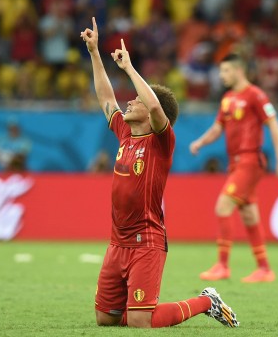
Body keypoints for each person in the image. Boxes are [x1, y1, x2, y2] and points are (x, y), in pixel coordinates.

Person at [81, 17, 239, 329]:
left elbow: (155, 108)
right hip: (117, 242)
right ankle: (141, 309)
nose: (130, 100)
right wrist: (94, 53)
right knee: (106, 319)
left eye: (136, 99)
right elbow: (106, 99)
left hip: (146, 242)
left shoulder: (160, 141)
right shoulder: (126, 134)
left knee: (140, 321)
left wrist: (129, 68)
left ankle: (207, 301)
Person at [189, 53, 278, 283]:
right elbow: (217, 128)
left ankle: (222, 265)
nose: (221, 75)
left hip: (250, 160)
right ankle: (264, 269)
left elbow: (273, 124)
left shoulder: (256, 95)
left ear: (239, 70)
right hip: (235, 163)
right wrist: (200, 142)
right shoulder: (227, 99)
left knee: (223, 205)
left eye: (225, 71)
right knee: (248, 213)